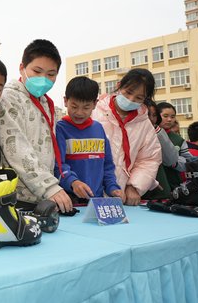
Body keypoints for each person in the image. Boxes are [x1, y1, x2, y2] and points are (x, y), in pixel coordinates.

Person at [0, 39, 72, 212]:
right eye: (37, 71)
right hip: (15, 198)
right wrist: (49, 186)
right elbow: (16, 149)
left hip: (41, 198)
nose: (43, 79)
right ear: (22, 67)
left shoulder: (45, 102)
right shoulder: (9, 98)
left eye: (51, 74)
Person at [92, 68, 161, 205]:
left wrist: (134, 186)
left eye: (139, 98)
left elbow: (149, 159)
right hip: (89, 191)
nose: (131, 99)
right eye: (128, 92)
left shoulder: (144, 124)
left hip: (122, 196)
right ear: (119, 86)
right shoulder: (94, 112)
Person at [56, 77, 120, 201]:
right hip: (70, 200)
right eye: (74, 106)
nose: (79, 112)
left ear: (95, 104)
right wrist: (73, 182)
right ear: (65, 101)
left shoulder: (98, 129)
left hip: (97, 200)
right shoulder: (60, 129)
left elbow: (107, 165)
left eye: (86, 108)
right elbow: (58, 165)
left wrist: (113, 188)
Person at [144, 100, 175, 199]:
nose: (152, 119)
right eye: (148, 114)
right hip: (136, 187)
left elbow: (171, 159)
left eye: (154, 115)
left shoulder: (160, 133)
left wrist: (158, 133)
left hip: (159, 188)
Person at [156, 101, 189, 190]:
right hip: (152, 184)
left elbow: (188, 162)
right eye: (165, 116)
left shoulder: (178, 140)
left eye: (173, 117)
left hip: (173, 185)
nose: (169, 119)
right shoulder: (148, 134)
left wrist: (175, 163)